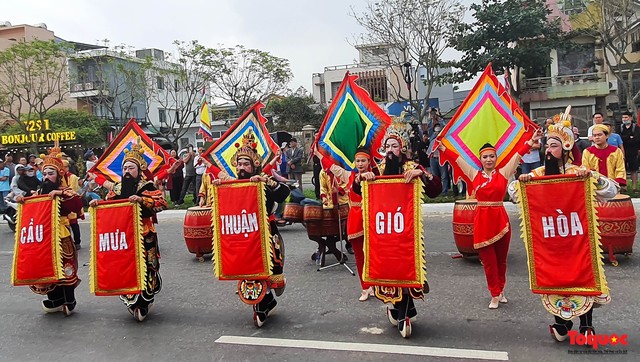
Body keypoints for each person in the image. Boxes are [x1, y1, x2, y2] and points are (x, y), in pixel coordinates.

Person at [510, 115, 618, 342]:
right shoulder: (538, 174)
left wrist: (591, 178)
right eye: (547, 145)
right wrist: (522, 183)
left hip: (577, 240)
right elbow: (512, 193)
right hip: (551, 242)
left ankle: (586, 326)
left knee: (583, 278)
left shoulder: (577, 173)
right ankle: (561, 322)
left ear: (566, 148)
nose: (548, 150)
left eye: (554, 145)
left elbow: (611, 190)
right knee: (555, 280)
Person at [439, 129, 543, 309]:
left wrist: (531, 140)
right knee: (488, 262)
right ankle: (494, 294)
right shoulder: (473, 174)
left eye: (492, 156)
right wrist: (442, 147)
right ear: (480, 159)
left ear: (496, 158)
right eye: (485, 157)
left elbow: (518, 155)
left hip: (500, 221)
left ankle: (501, 290)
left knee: (501, 260)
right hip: (482, 222)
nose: (488, 159)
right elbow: (457, 159)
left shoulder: (504, 173)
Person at [360, 120, 442, 338]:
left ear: (402, 148)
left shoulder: (412, 168)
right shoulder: (377, 169)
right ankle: (399, 309)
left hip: (406, 231)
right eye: (387, 146)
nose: (390, 150)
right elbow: (357, 190)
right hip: (383, 230)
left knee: (406, 267)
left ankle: (404, 311)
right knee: (388, 269)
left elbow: (436, 189)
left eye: (394, 146)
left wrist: (422, 175)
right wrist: (364, 177)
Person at [212, 136, 290, 327]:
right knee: (246, 266)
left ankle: (267, 298)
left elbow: (284, 193)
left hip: (265, 233)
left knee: (269, 268)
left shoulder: (264, 180)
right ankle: (263, 302)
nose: (241, 167)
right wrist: (219, 189)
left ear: (254, 165)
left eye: (246, 164)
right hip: (242, 232)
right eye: (239, 163)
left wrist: (265, 182)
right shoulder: (232, 184)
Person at [89, 142, 167, 322]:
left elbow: (162, 203)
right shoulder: (116, 188)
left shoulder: (147, 186)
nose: (126, 171)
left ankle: (145, 300)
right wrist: (97, 205)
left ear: (139, 170)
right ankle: (132, 302)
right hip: (122, 236)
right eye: (124, 168)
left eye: (131, 168)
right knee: (124, 266)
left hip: (144, 233)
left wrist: (141, 200)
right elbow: (108, 207)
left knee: (148, 267)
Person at [16, 146, 83, 316]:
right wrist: (23, 200)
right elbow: (33, 206)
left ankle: (69, 298)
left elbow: (76, 202)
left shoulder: (65, 190)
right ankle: (55, 297)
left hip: (62, 234)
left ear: (59, 174)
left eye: (50, 173)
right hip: (44, 236)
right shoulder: (40, 192)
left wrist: (60, 194)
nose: (47, 177)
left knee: (65, 266)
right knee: (46, 267)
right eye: (45, 173)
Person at [347, 148, 377, 301]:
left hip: (373, 219)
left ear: (369, 161)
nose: (360, 164)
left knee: (375, 254)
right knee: (360, 256)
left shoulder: (376, 175)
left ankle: (377, 284)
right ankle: (365, 287)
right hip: (356, 220)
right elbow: (332, 167)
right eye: (357, 161)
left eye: (363, 160)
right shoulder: (350, 176)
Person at [582, 124, 627, 189]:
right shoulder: (587, 152)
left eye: (599, 135)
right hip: (593, 187)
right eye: (594, 135)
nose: (597, 137)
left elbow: (620, 168)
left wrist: (618, 183)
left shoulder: (616, 151)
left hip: (612, 185)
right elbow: (585, 168)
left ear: (607, 136)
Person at [63, 159, 83, 250]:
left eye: (65, 167)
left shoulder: (73, 177)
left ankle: (77, 242)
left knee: (74, 223)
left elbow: (73, 189)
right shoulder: (59, 177)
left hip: (71, 201)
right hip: (62, 203)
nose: (63, 169)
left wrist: (62, 190)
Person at [620, 111, 640, 191]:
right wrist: (629, 137)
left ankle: (634, 187)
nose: (624, 119)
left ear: (631, 118)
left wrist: (627, 138)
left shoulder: (636, 128)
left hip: (633, 151)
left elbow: (636, 139)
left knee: (633, 169)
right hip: (622, 151)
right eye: (623, 118)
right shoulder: (620, 127)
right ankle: (624, 187)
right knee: (623, 169)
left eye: (626, 117)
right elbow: (619, 139)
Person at [428, 123, 450, 194]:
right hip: (433, 159)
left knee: (444, 176)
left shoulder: (444, 140)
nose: (437, 133)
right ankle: (437, 191)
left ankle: (444, 191)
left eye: (438, 131)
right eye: (435, 131)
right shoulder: (432, 140)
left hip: (442, 159)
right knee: (435, 176)